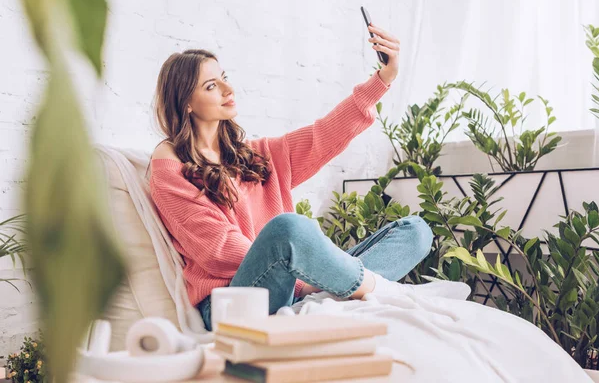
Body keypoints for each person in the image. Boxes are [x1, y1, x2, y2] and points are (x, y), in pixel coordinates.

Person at [148, 24, 433, 331]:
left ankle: (329, 298)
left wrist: (382, 80)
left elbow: (323, 136)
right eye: (211, 86)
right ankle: (359, 290)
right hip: (233, 301)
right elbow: (219, 251)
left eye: (225, 78)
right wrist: (303, 280)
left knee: (416, 232)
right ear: (185, 103)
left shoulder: (256, 155)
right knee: (288, 228)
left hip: (295, 283)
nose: (228, 90)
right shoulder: (170, 167)